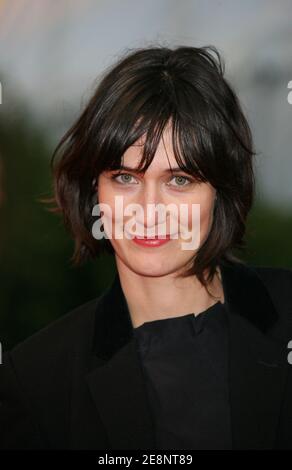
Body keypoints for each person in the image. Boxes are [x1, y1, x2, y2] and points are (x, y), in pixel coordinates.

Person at [1, 44, 292, 450]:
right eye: (124, 177)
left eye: (179, 180)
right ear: (93, 190)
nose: (149, 209)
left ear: (221, 193)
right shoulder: (36, 379)